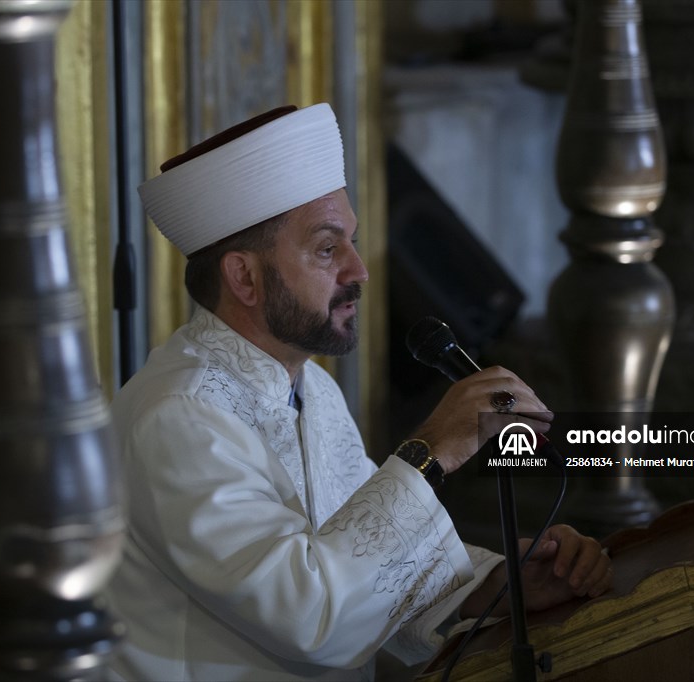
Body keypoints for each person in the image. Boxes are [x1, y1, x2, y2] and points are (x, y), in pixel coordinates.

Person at [106, 103, 611, 681]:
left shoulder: (311, 387)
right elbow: (312, 614)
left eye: (351, 241)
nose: (358, 270)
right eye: (327, 249)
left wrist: (502, 584)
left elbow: (360, 556)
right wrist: (431, 450)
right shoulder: (179, 415)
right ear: (244, 277)